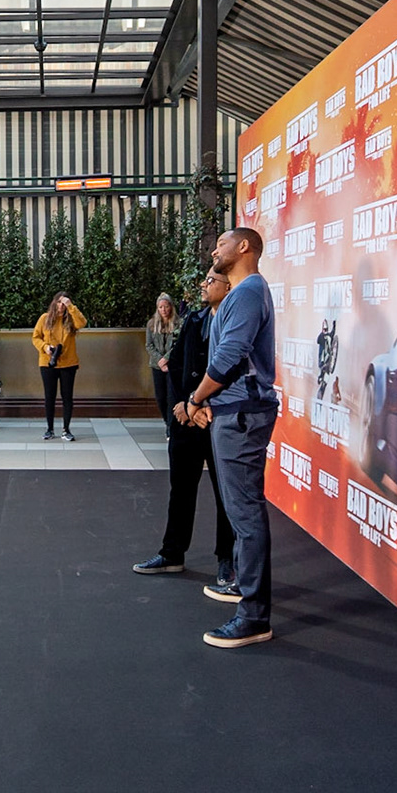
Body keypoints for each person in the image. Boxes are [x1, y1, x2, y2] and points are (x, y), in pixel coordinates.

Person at [184, 227, 279, 649]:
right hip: (232, 410)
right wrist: (207, 402)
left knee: (245, 514)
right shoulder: (239, 295)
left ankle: (254, 616)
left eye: (221, 243)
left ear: (244, 248)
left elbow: (228, 357)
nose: (214, 250)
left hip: (243, 414)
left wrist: (195, 398)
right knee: (241, 512)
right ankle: (244, 590)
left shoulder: (248, 292)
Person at [135, 269, 236, 584]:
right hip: (187, 419)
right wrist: (182, 405)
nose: (204, 286)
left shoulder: (234, 322)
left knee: (225, 494)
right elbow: (176, 365)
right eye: (204, 280)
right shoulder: (194, 320)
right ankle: (172, 554)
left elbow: (230, 369)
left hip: (217, 418)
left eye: (210, 281)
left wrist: (199, 405)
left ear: (228, 286)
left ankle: (226, 560)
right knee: (180, 490)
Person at [31, 292, 87, 441]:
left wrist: (71, 306)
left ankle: (66, 429)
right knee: (49, 396)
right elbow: (35, 337)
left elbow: (82, 323)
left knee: (67, 396)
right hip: (47, 362)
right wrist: (45, 347)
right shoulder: (44, 318)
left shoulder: (71, 319)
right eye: (59, 302)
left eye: (64, 303)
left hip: (68, 363)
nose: (61, 306)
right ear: (53, 303)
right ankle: (49, 429)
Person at [146, 293, 181, 435]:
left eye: (166, 306)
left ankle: (171, 426)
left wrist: (166, 358)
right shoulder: (151, 324)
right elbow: (149, 345)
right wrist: (160, 360)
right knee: (160, 397)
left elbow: (178, 345)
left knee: (171, 396)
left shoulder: (180, 323)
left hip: (172, 365)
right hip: (156, 365)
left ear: (171, 307)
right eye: (161, 307)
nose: (164, 310)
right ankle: (167, 421)